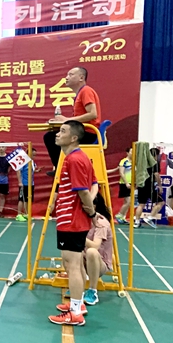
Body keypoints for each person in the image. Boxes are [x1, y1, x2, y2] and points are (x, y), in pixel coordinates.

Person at [48, 121, 98, 327]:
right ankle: (79, 304)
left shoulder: (74, 160)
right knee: (70, 263)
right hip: (72, 219)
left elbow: (84, 191)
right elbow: (94, 184)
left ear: (74, 138)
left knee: (73, 265)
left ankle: (75, 313)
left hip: (71, 220)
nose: (57, 134)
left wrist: (91, 210)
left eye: (62, 131)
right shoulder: (81, 157)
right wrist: (89, 207)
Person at [44, 67, 102, 175]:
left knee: (51, 137)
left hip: (88, 133)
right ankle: (62, 168)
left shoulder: (86, 91)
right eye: (67, 75)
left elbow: (93, 114)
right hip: (81, 131)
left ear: (81, 77)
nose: (66, 77)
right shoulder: (80, 93)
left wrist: (67, 120)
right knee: (53, 135)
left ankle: (60, 169)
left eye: (71, 75)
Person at [16, 148, 38, 221]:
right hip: (24, 184)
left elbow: (32, 171)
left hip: (31, 184)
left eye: (35, 155)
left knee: (28, 200)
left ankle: (26, 214)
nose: (34, 157)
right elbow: (18, 171)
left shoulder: (32, 162)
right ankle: (19, 215)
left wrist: (37, 171)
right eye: (33, 155)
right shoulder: (23, 161)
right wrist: (20, 182)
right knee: (21, 199)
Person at [112, 147, 132, 224]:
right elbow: (121, 173)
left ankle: (123, 217)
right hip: (124, 183)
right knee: (128, 201)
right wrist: (126, 183)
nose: (133, 153)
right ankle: (119, 215)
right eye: (131, 151)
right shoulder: (123, 161)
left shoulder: (134, 162)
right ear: (127, 153)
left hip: (132, 183)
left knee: (127, 202)